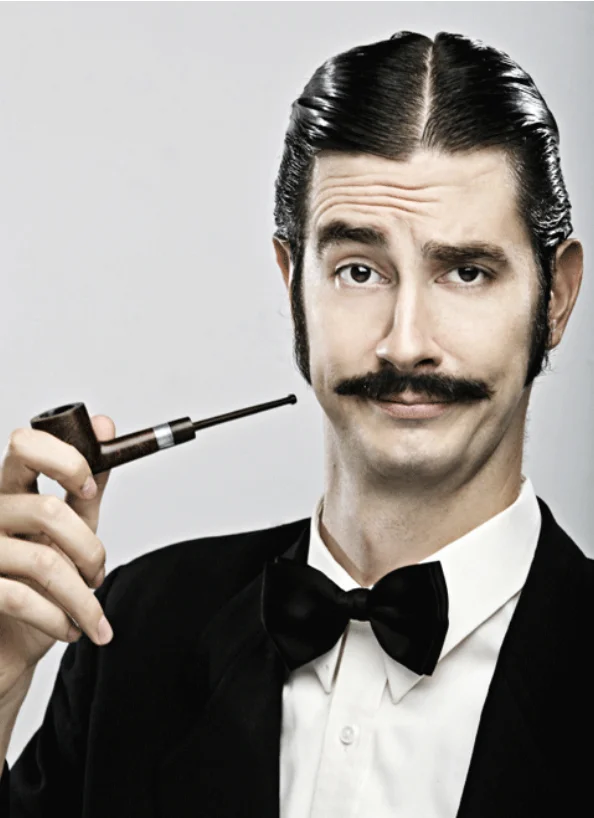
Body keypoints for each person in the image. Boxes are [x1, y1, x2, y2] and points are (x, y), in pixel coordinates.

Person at [0, 29, 589, 818]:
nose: (405, 342)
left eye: (467, 271)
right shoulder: (133, 630)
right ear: (291, 286)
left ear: (555, 298)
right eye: (359, 271)